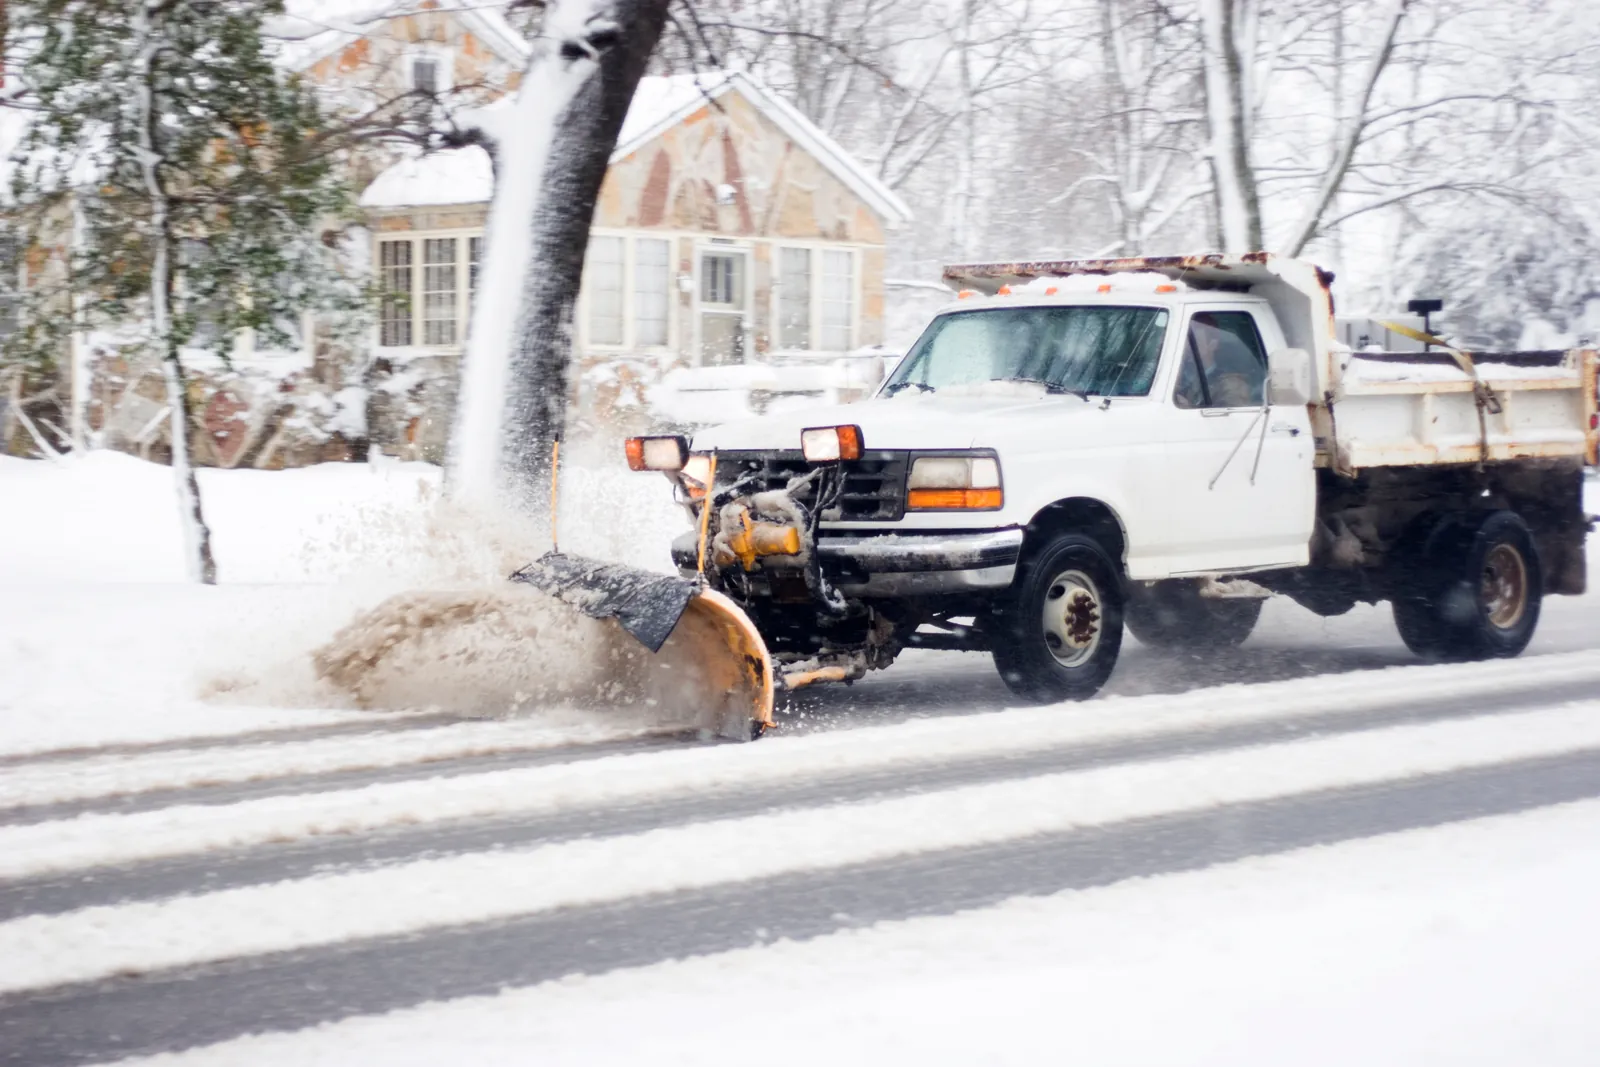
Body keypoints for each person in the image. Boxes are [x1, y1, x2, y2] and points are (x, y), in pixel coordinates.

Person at [1174, 317, 1265, 409]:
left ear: (1213, 345)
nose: (1187, 349)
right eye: (1187, 344)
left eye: (1193, 343)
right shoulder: (1192, 379)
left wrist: (1189, 408)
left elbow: (1228, 419)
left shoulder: (1232, 384)